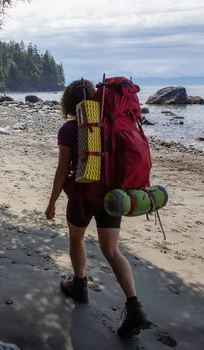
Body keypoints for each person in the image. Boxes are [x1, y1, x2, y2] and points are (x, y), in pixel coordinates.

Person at [45, 79, 151, 339]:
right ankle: (134, 306)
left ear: (67, 103)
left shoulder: (69, 130)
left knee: (76, 239)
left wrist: (52, 201)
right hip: (111, 198)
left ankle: (79, 285)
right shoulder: (110, 126)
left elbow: (62, 169)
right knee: (112, 251)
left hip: (81, 197)